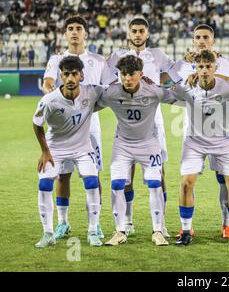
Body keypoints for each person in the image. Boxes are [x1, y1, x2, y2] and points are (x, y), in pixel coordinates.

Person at [42, 15, 113, 241]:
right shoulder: (56, 59)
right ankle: (62, 222)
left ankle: (96, 224)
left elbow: (108, 91)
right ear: (65, 33)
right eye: (70, 28)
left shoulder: (98, 60)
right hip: (62, 129)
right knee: (62, 175)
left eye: (79, 28)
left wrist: (85, 109)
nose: (74, 32)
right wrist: (61, 102)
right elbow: (48, 84)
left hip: (90, 128)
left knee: (93, 176)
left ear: (86, 33)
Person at [168, 24, 229, 239]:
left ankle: (228, 224)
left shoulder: (227, 65)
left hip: (221, 131)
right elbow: (172, 88)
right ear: (193, 40)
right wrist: (187, 73)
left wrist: (216, 77)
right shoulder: (183, 65)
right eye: (197, 37)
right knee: (188, 180)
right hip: (193, 129)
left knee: (225, 179)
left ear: (213, 39)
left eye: (205, 37)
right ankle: (186, 227)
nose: (201, 40)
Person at [98, 55, 176, 247]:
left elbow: (179, 97)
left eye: (132, 74)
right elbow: (88, 105)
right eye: (123, 74)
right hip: (122, 145)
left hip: (148, 143)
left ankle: (158, 230)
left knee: (155, 183)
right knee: (117, 184)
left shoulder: (154, 91)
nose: (127, 78)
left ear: (141, 74)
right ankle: (120, 231)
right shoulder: (111, 93)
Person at [107, 17, 174, 238]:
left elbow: (171, 74)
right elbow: (106, 79)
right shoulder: (117, 56)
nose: (137, 34)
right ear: (128, 33)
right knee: (127, 171)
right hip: (128, 115)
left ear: (147, 33)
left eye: (141, 31)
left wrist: (158, 84)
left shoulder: (158, 54)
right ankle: (127, 220)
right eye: (134, 31)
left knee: (159, 170)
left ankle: (160, 223)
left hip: (153, 115)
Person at [33, 56, 103, 248]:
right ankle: (48, 233)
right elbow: (37, 124)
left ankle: (93, 230)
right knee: (45, 184)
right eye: (65, 74)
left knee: (91, 180)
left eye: (74, 74)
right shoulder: (49, 100)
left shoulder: (92, 92)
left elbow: (114, 92)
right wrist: (45, 151)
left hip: (82, 147)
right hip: (55, 148)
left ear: (81, 75)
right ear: (60, 76)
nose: (70, 78)